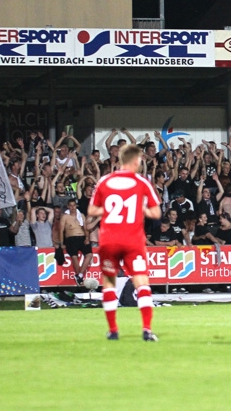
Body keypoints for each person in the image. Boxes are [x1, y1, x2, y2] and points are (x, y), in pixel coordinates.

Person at [88, 144, 162, 342]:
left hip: (109, 240)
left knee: (109, 284)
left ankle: (113, 331)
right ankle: (146, 330)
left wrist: (111, 211)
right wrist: (139, 210)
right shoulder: (141, 182)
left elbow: (92, 211)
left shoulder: (105, 181)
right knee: (141, 283)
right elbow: (156, 213)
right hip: (132, 241)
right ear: (136, 161)